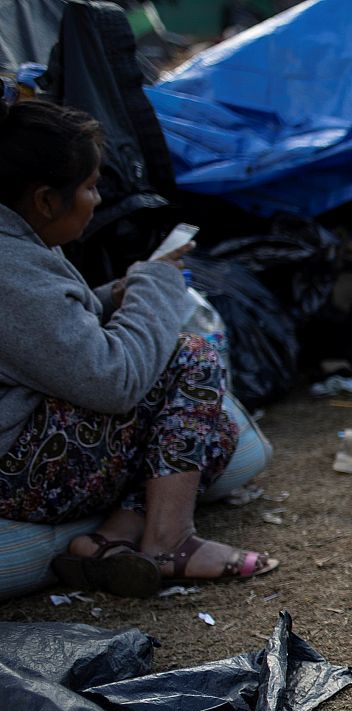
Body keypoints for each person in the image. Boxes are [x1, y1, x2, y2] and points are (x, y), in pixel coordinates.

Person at [0, 97, 276, 597]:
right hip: (16, 473)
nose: (98, 199)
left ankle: (111, 539)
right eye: (88, 187)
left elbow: (50, 330)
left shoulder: (20, 246)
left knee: (200, 423)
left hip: (25, 450)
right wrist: (153, 286)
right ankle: (169, 540)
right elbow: (114, 381)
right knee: (190, 358)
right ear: (44, 200)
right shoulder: (9, 267)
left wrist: (115, 295)